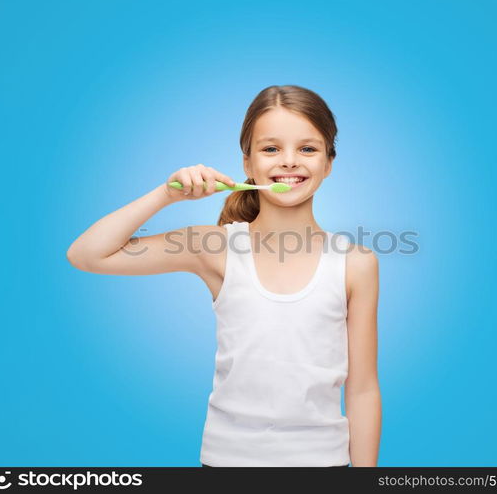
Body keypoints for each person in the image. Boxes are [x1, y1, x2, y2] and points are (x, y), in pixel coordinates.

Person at [67, 84, 381, 467]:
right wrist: (166, 195)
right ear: (247, 164)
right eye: (270, 149)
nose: (289, 161)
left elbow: (363, 388)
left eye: (307, 149)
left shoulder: (355, 261)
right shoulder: (213, 247)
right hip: (226, 462)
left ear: (329, 163)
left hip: (324, 463)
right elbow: (87, 254)